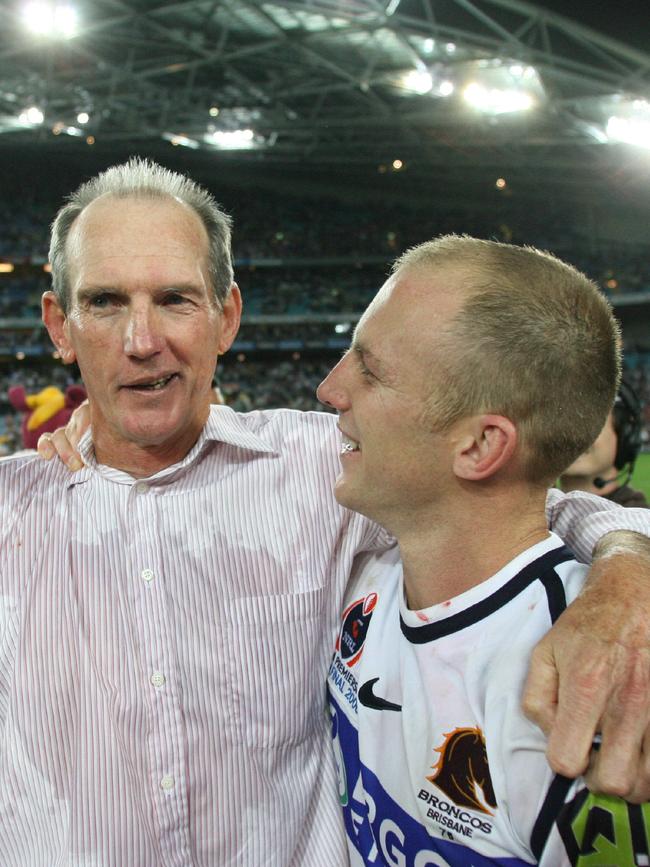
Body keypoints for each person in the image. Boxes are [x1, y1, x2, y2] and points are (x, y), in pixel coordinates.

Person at [4, 158, 650, 866]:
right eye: (103, 302)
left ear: (227, 317)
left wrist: (623, 579)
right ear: (59, 327)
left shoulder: (328, 469)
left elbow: (526, 506)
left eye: (176, 299)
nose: (141, 339)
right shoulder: (13, 513)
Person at [318, 235, 647, 864]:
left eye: (370, 369)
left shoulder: (590, 686)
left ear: (477, 448)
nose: (330, 389)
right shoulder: (365, 566)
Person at [561, 380, 648, 507]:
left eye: (588, 424)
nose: (571, 435)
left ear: (624, 436)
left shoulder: (639, 523)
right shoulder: (535, 516)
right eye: (560, 424)